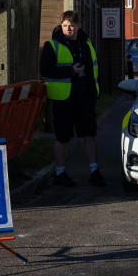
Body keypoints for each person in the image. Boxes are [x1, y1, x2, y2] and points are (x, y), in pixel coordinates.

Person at [40, 10, 105, 187]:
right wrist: (70, 71)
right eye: (65, 26)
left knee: (89, 135)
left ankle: (94, 171)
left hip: (85, 96)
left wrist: (94, 92)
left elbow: (95, 68)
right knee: (63, 137)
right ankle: (60, 173)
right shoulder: (52, 46)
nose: (69, 29)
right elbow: (45, 70)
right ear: (61, 26)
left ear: (79, 25)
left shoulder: (86, 43)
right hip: (64, 99)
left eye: (72, 25)